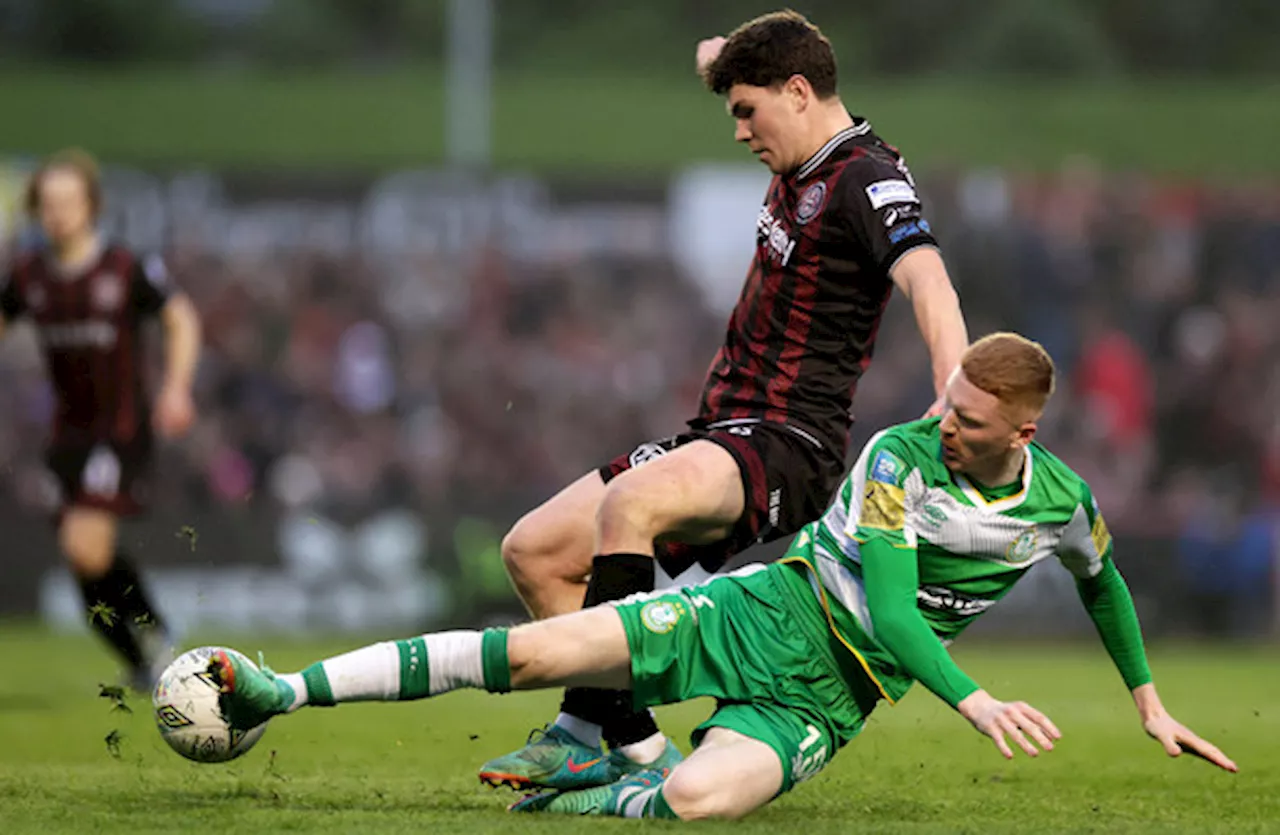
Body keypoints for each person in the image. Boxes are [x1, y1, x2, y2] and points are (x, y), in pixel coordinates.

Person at [209, 332, 1235, 820]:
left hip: (834, 697)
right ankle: (280, 689)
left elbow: (1102, 579)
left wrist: (1144, 698)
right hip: (761, 610)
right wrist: (973, 699)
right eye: (944, 403)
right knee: (531, 652)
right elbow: (886, 606)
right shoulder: (896, 459)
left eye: (965, 418)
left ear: (1024, 430)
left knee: (699, 800)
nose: (941, 423)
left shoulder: (1060, 501)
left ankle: (611, 792)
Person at [481, 9, 969, 788]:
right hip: (722, 429)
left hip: (788, 441)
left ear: (800, 91)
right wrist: (721, 60)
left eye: (748, 111)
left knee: (628, 505)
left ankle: (577, 728)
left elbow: (929, 280)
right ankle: (636, 752)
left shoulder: (865, 177)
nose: (741, 131)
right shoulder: (800, 143)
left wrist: (955, 389)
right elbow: (737, 56)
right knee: (533, 552)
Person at [0, 149, 202, 690]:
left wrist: (177, 387)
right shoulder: (28, 276)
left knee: (82, 546)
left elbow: (180, 318)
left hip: (120, 431)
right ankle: (142, 659)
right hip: (66, 437)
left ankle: (157, 637)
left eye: (69, 201)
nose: (58, 213)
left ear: (92, 205)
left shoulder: (124, 268)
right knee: (86, 562)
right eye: (48, 203)